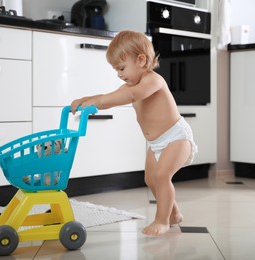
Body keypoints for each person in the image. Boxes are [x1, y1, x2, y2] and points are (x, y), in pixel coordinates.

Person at [70, 30, 197, 236]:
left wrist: (98, 102)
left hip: (176, 137)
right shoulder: (129, 84)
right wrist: (86, 100)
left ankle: (162, 220)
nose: (119, 74)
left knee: (162, 176)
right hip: (156, 143)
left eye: (121, 68)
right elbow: (107, 97)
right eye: (116, 69)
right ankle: (173, 213)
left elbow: (131, 95)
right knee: (151, 179)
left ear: (140, 60)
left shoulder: (153, 80)